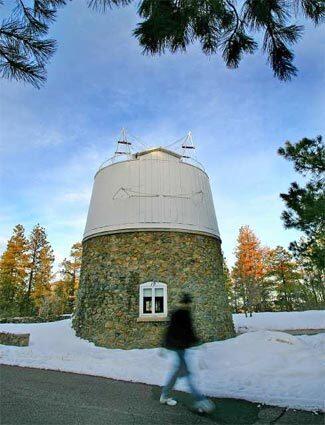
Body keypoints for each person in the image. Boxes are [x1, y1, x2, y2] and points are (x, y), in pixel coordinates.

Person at [160, 293, 215, 413]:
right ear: (187, 303)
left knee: (176, 372)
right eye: (188, 303)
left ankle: (164, 395)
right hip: (179, 347)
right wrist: (197, 341)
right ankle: (200, 400)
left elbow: (170, 330)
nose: (189, 305)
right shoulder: (183, 314)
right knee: (187, 374)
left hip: (178, 347)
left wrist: (164, 345)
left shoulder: (177, 313)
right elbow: (187, 332)